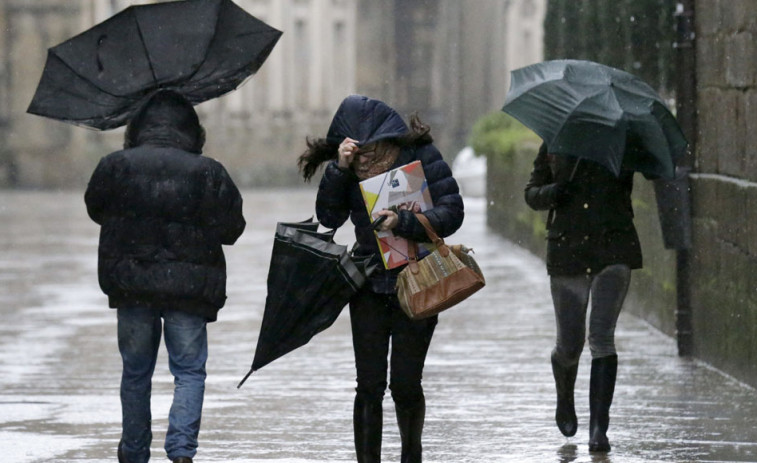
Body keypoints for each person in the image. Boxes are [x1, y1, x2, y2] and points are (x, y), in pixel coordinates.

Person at [298, 94, 464, 463]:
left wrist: (403, 222)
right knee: (369, 386)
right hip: (369, 285)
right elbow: (328, 216)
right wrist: (339, 170)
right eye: (356, 149)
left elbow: (453, 213)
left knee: (405, 384)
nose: (365, 157)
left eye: (370, 147)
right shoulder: (348, 169)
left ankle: (411, 453)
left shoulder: (421, 157)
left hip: (417, 280)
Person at [84, 89, 246, 463]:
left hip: (132, 284)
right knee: (189, 371)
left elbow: (97, 209)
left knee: (136, 373)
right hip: (188, 289)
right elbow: (232, 228)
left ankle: (135, 451)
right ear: (192, 129)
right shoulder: (208, 172)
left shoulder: (115, 165)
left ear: (138, 126)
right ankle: (182, 452)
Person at [524, 143, 642, 453]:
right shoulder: (557, 140)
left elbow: (652, 171)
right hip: (568, 251)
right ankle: (565, 398)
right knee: (570, 344)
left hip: (613, 248)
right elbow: (532, 193)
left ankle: (599, 428)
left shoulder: (623, 140)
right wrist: (555, 191)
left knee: (602, 338)